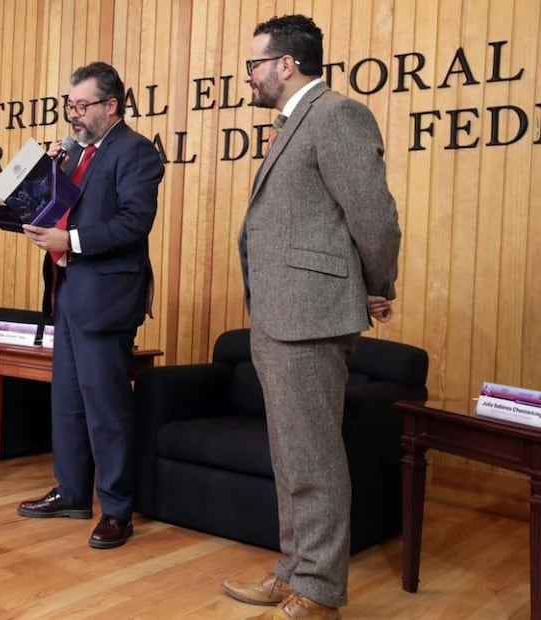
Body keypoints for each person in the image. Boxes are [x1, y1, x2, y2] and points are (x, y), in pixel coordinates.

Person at [220, 15, 401, 620]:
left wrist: (377, 285)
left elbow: (374, 216)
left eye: (253, 64)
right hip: (279, 312)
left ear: (285, 64)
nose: (247, 75)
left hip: (311, 314)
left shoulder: (337, 115)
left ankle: (321, 590)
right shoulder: (296, 122)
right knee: (291, 454)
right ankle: (292, 570)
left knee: (315, 458)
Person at [16, 62, 164, 549]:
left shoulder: (136, 152)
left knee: (106, 409)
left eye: (81, 106)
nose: (73, 114)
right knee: (68, 404)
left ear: (111, 106)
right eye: (69, 105)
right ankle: (73, 493)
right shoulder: (73, 153)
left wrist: (70, 239)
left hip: (106, 297)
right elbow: (57, 207)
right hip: (67, 293)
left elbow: (133, 223)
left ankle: (117, 510)